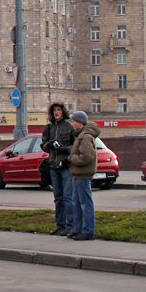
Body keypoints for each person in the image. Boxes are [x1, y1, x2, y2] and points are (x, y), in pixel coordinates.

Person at [40, 102, 76, 236]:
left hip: (65, 166)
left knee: (68, 197)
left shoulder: (69, 127)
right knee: (58, 198)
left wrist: (62, 148)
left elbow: (74, 147)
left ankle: (70, 225)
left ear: (63, 112)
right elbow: (43, 146)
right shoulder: (48, 128)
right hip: (53, 166)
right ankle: (60, 225)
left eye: (59, 110)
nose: (56, 113)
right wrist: (49, 144)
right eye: (54, 110)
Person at [68, 110, 100, 241]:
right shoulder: (80, 135)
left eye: (74, 122)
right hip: (77, 174)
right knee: (76, 203)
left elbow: (87, 157)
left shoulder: (85, 137)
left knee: (85, 203)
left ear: (80, 123)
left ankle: (89, 230)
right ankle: (77, 228)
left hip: (83, 174)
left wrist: (71, 159)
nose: (72, 124)